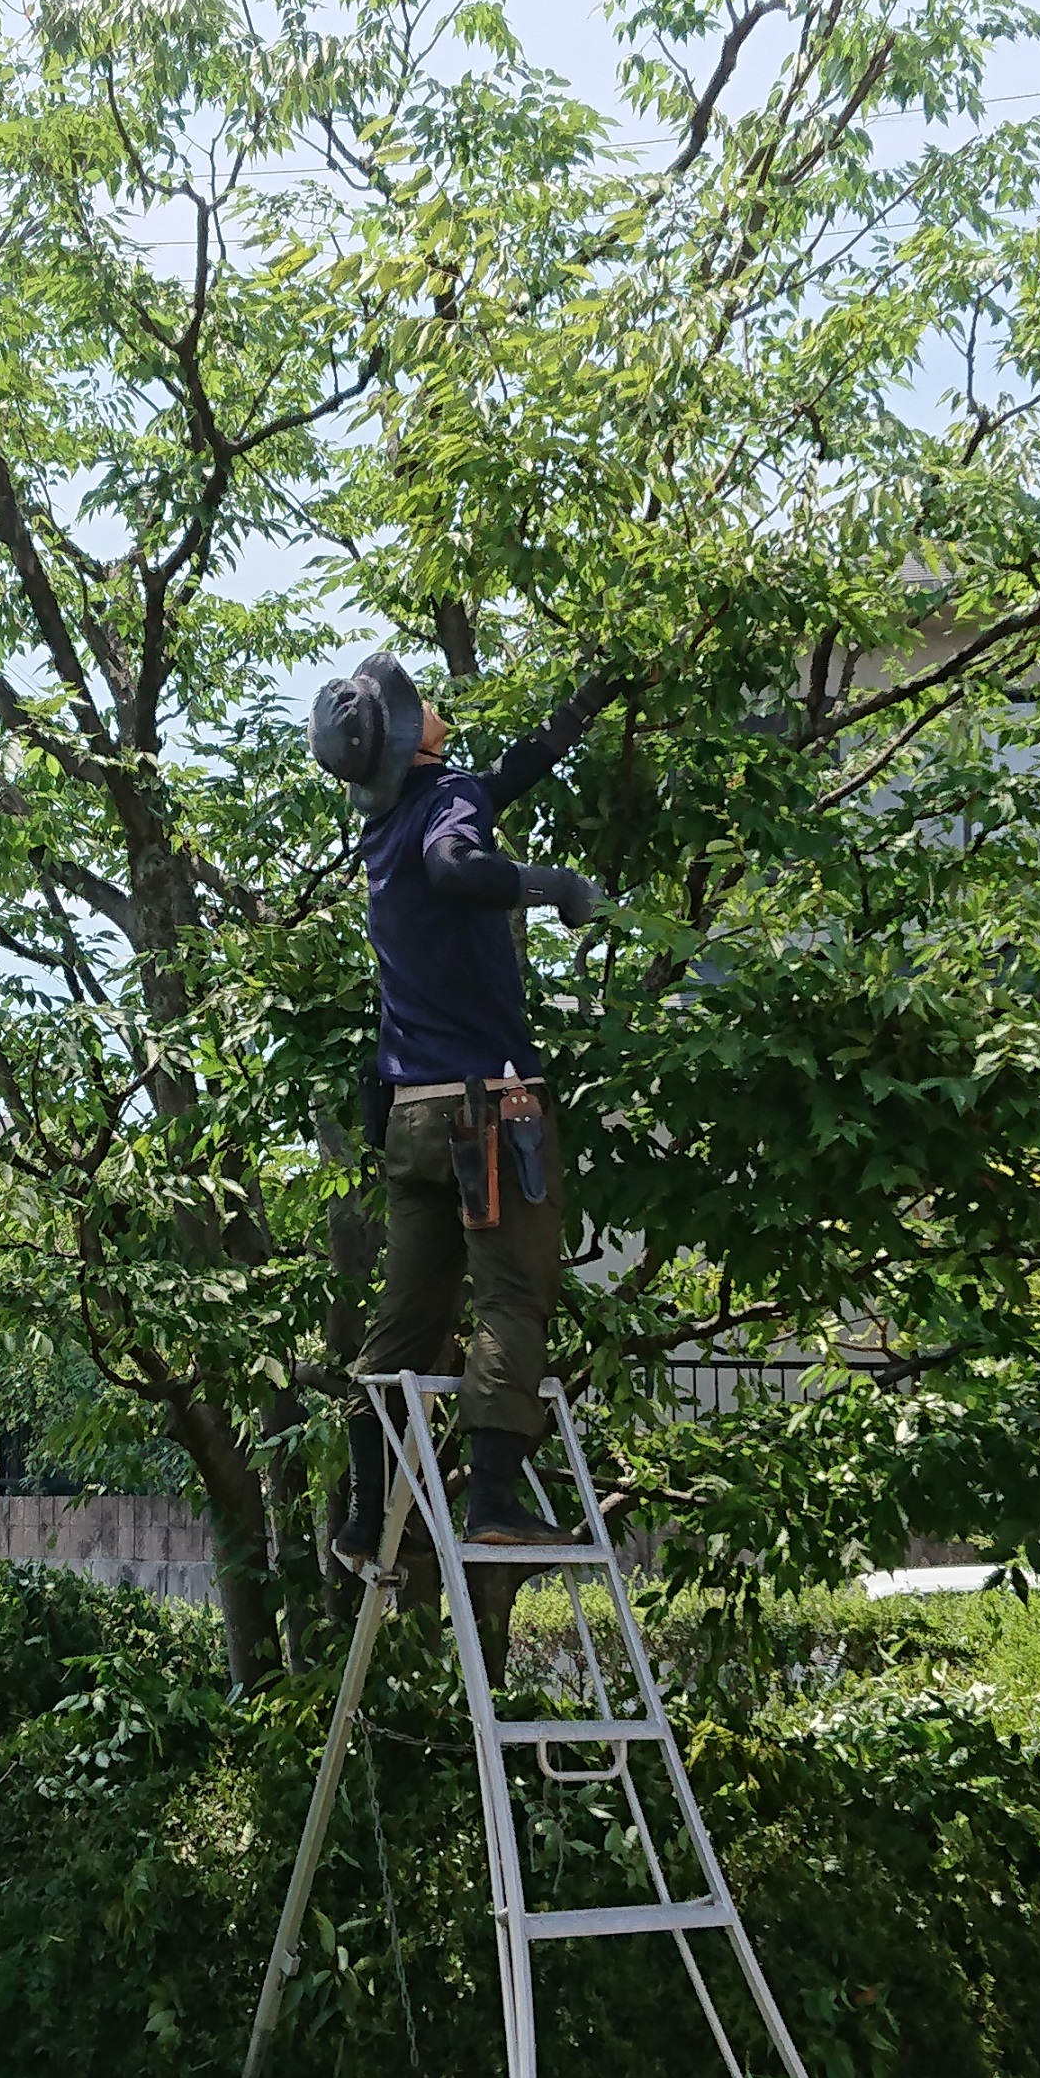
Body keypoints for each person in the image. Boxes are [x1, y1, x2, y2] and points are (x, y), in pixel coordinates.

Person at [306, 649, 613, 1574]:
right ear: (410, 738)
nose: (429, 707)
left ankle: (364, 1521)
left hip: (414, 1116)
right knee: (511, 1296)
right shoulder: (443, 819)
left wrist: (576, 711)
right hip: (492, 1106)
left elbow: (497, 781)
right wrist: (552, 885)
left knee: (403, 1319)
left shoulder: (393, 821)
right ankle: (493, 1499)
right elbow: (458, 861)